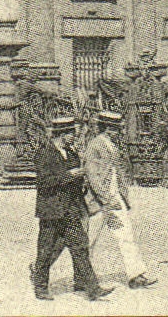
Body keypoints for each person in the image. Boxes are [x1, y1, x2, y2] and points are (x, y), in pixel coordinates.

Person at [32, 116, 112, 303]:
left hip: (70, 210)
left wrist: (81, 182)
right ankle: (40, 287)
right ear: (61, 134)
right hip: (51, 211)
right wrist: (68, 175)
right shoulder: (44, 153)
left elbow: (74, 181)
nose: (74, 138)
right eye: (71, 134)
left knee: (80, 247)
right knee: (45, 250)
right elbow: (43, 183)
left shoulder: (72, 153)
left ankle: (93, 288)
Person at [83, 110, 156, 290]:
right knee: (87, 240)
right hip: (99, 201)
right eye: (115, 129)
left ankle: (135, 275)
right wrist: (106, 198)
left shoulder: (112, 145)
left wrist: (120, 195)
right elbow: (92, 175)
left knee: (125, 236)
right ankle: (78, 277)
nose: (118, 132)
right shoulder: (95, 145)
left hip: (115, 199)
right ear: (106, 128)